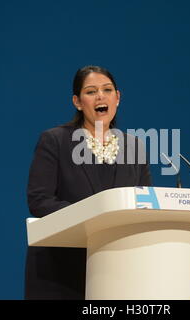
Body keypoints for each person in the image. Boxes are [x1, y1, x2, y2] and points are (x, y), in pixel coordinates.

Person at [24, 65, 152, 299]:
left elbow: (143, 205)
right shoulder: (56, 140)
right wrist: (93, 218)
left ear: (118, 97)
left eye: (107, 89)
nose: (100, 96)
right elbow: (39, 200)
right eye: (91, 91)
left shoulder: (135, 147)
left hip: (118, 268)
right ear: (77, 102)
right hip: (61, 269)